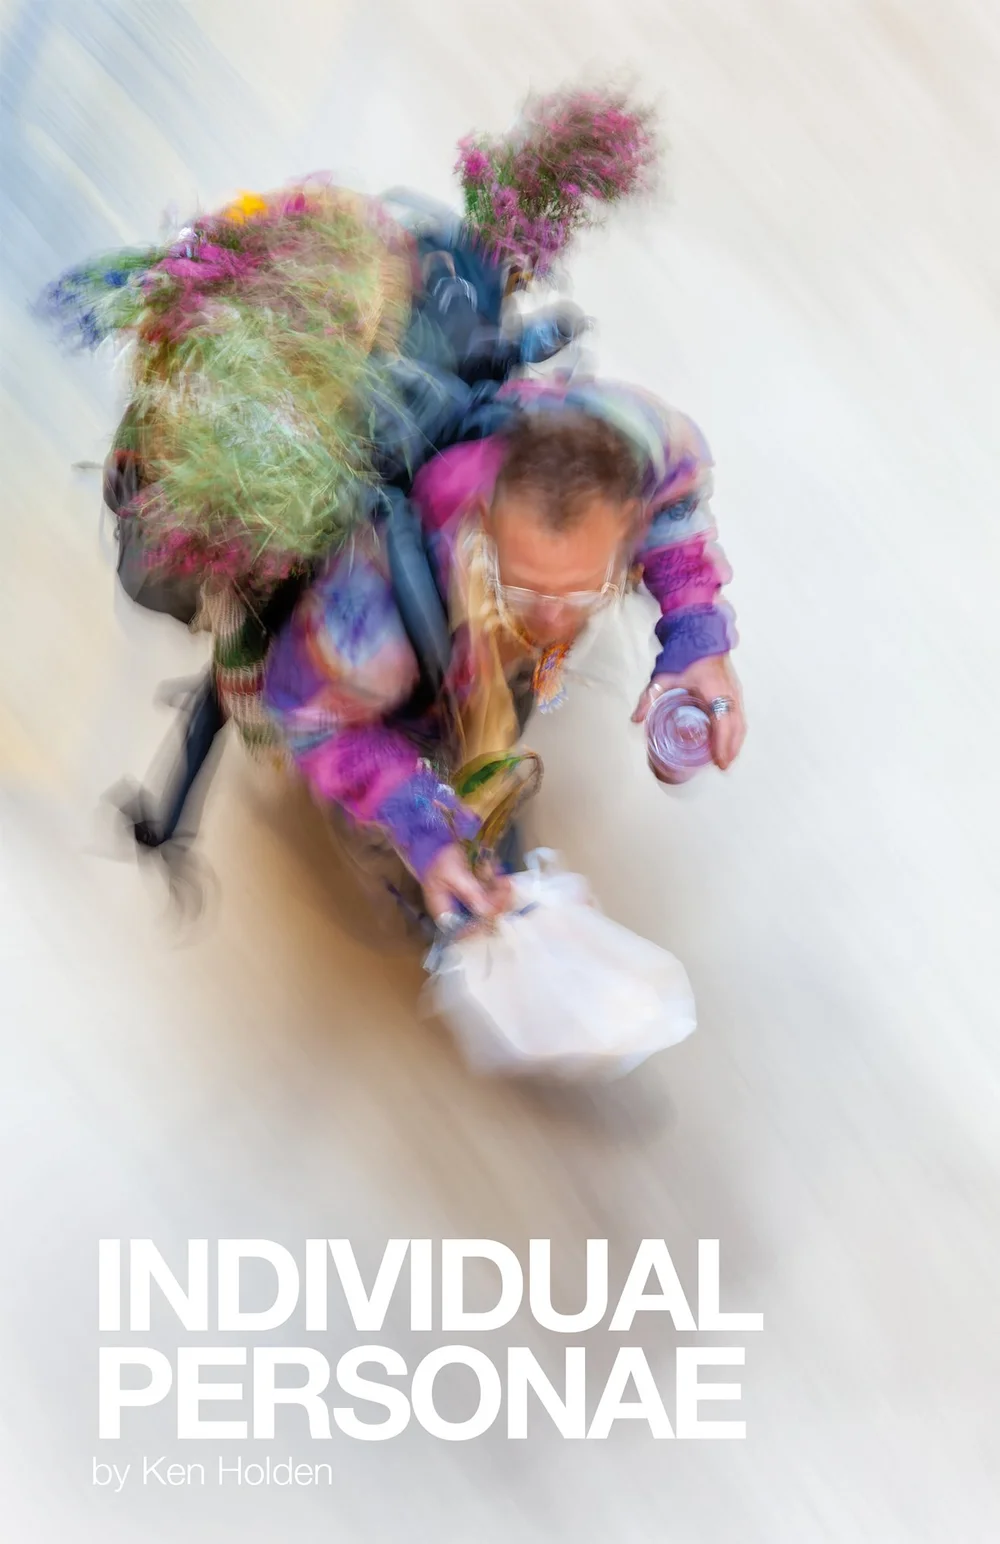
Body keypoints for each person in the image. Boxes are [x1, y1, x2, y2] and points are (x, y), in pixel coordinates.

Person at [263, 376, 746, 929]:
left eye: (583, 592)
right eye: (524, 589)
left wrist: (695, 631)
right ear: (485, 521)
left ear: (632, 521)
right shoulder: (374, 626)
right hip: (412, 671)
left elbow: (678, 485)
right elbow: (308, 717)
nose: (553, 621)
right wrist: (422, 824)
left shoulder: (636, 441)